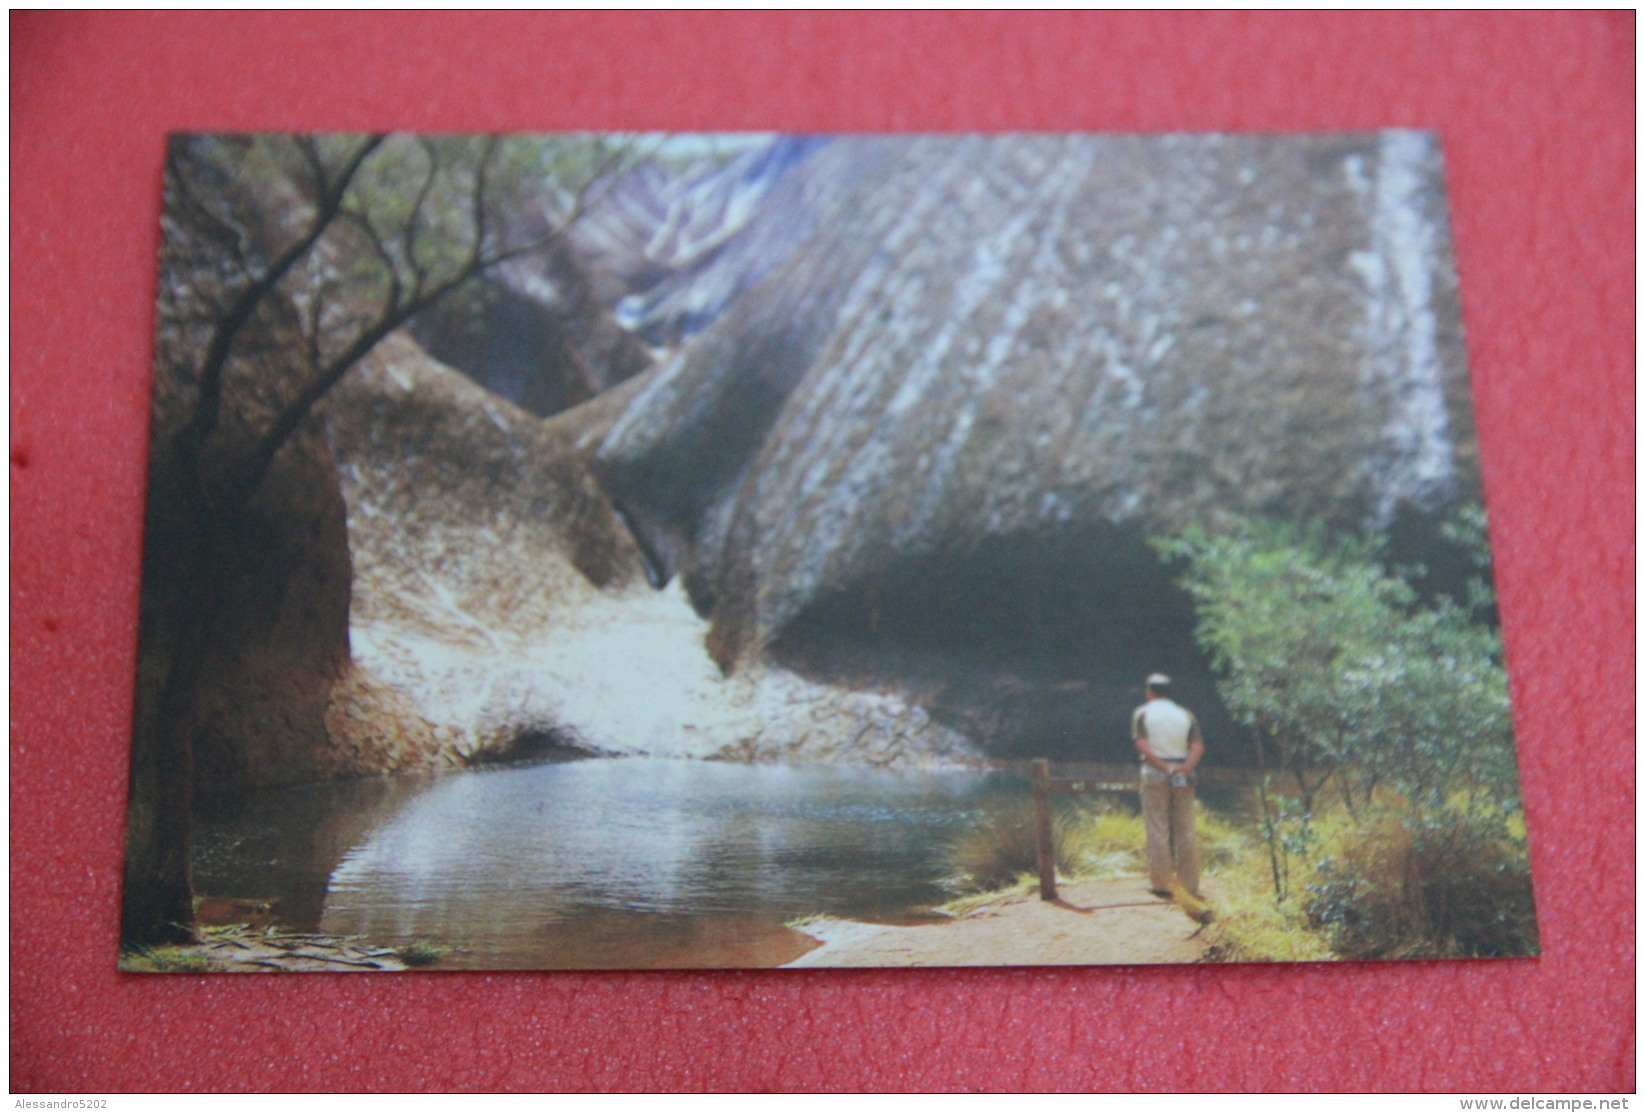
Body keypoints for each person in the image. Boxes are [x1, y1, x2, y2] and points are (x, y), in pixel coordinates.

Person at [1132, 672, 1203, 900]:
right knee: (1185, 828)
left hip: (1156, 772)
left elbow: (1142, 745)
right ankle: (1189, 885)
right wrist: (1184, 769)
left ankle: (1162, 883)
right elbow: (1197, 746)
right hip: (1183, 771)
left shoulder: (1143, 713)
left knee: (1157, 827)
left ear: (1149, 691)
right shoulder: (1185, 714)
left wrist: (1164, 767)